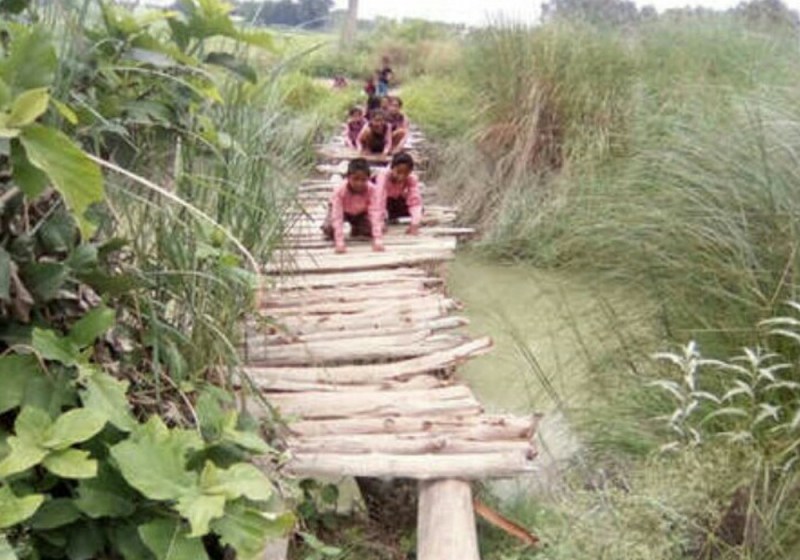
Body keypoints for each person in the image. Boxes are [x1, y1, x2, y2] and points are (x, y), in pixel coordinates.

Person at [321, 158, 385, 254]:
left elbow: (375, 213)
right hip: (342, 211)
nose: (359, 183)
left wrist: (378, 239)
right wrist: (339, 241)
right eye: (355, 179)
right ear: (348, 177)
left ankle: (357, 227)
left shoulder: (372, 190)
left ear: (368, 178)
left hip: (361, 212)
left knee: (374, 228)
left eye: (363, 180)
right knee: (329, 229)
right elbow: (337, 215)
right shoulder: (340, 191)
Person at [375, 152, 422, 235]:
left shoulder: (411, 178)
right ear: (392, 168)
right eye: (398, 172)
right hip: (380, 202)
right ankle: (383, 218)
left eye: (406, 173)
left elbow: (415, 201)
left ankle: (390, 217)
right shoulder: (383, 175)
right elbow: (379, 199)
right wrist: (379, 222)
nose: (402, 176)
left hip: (395, 201)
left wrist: (415, 223)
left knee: (419, 209)